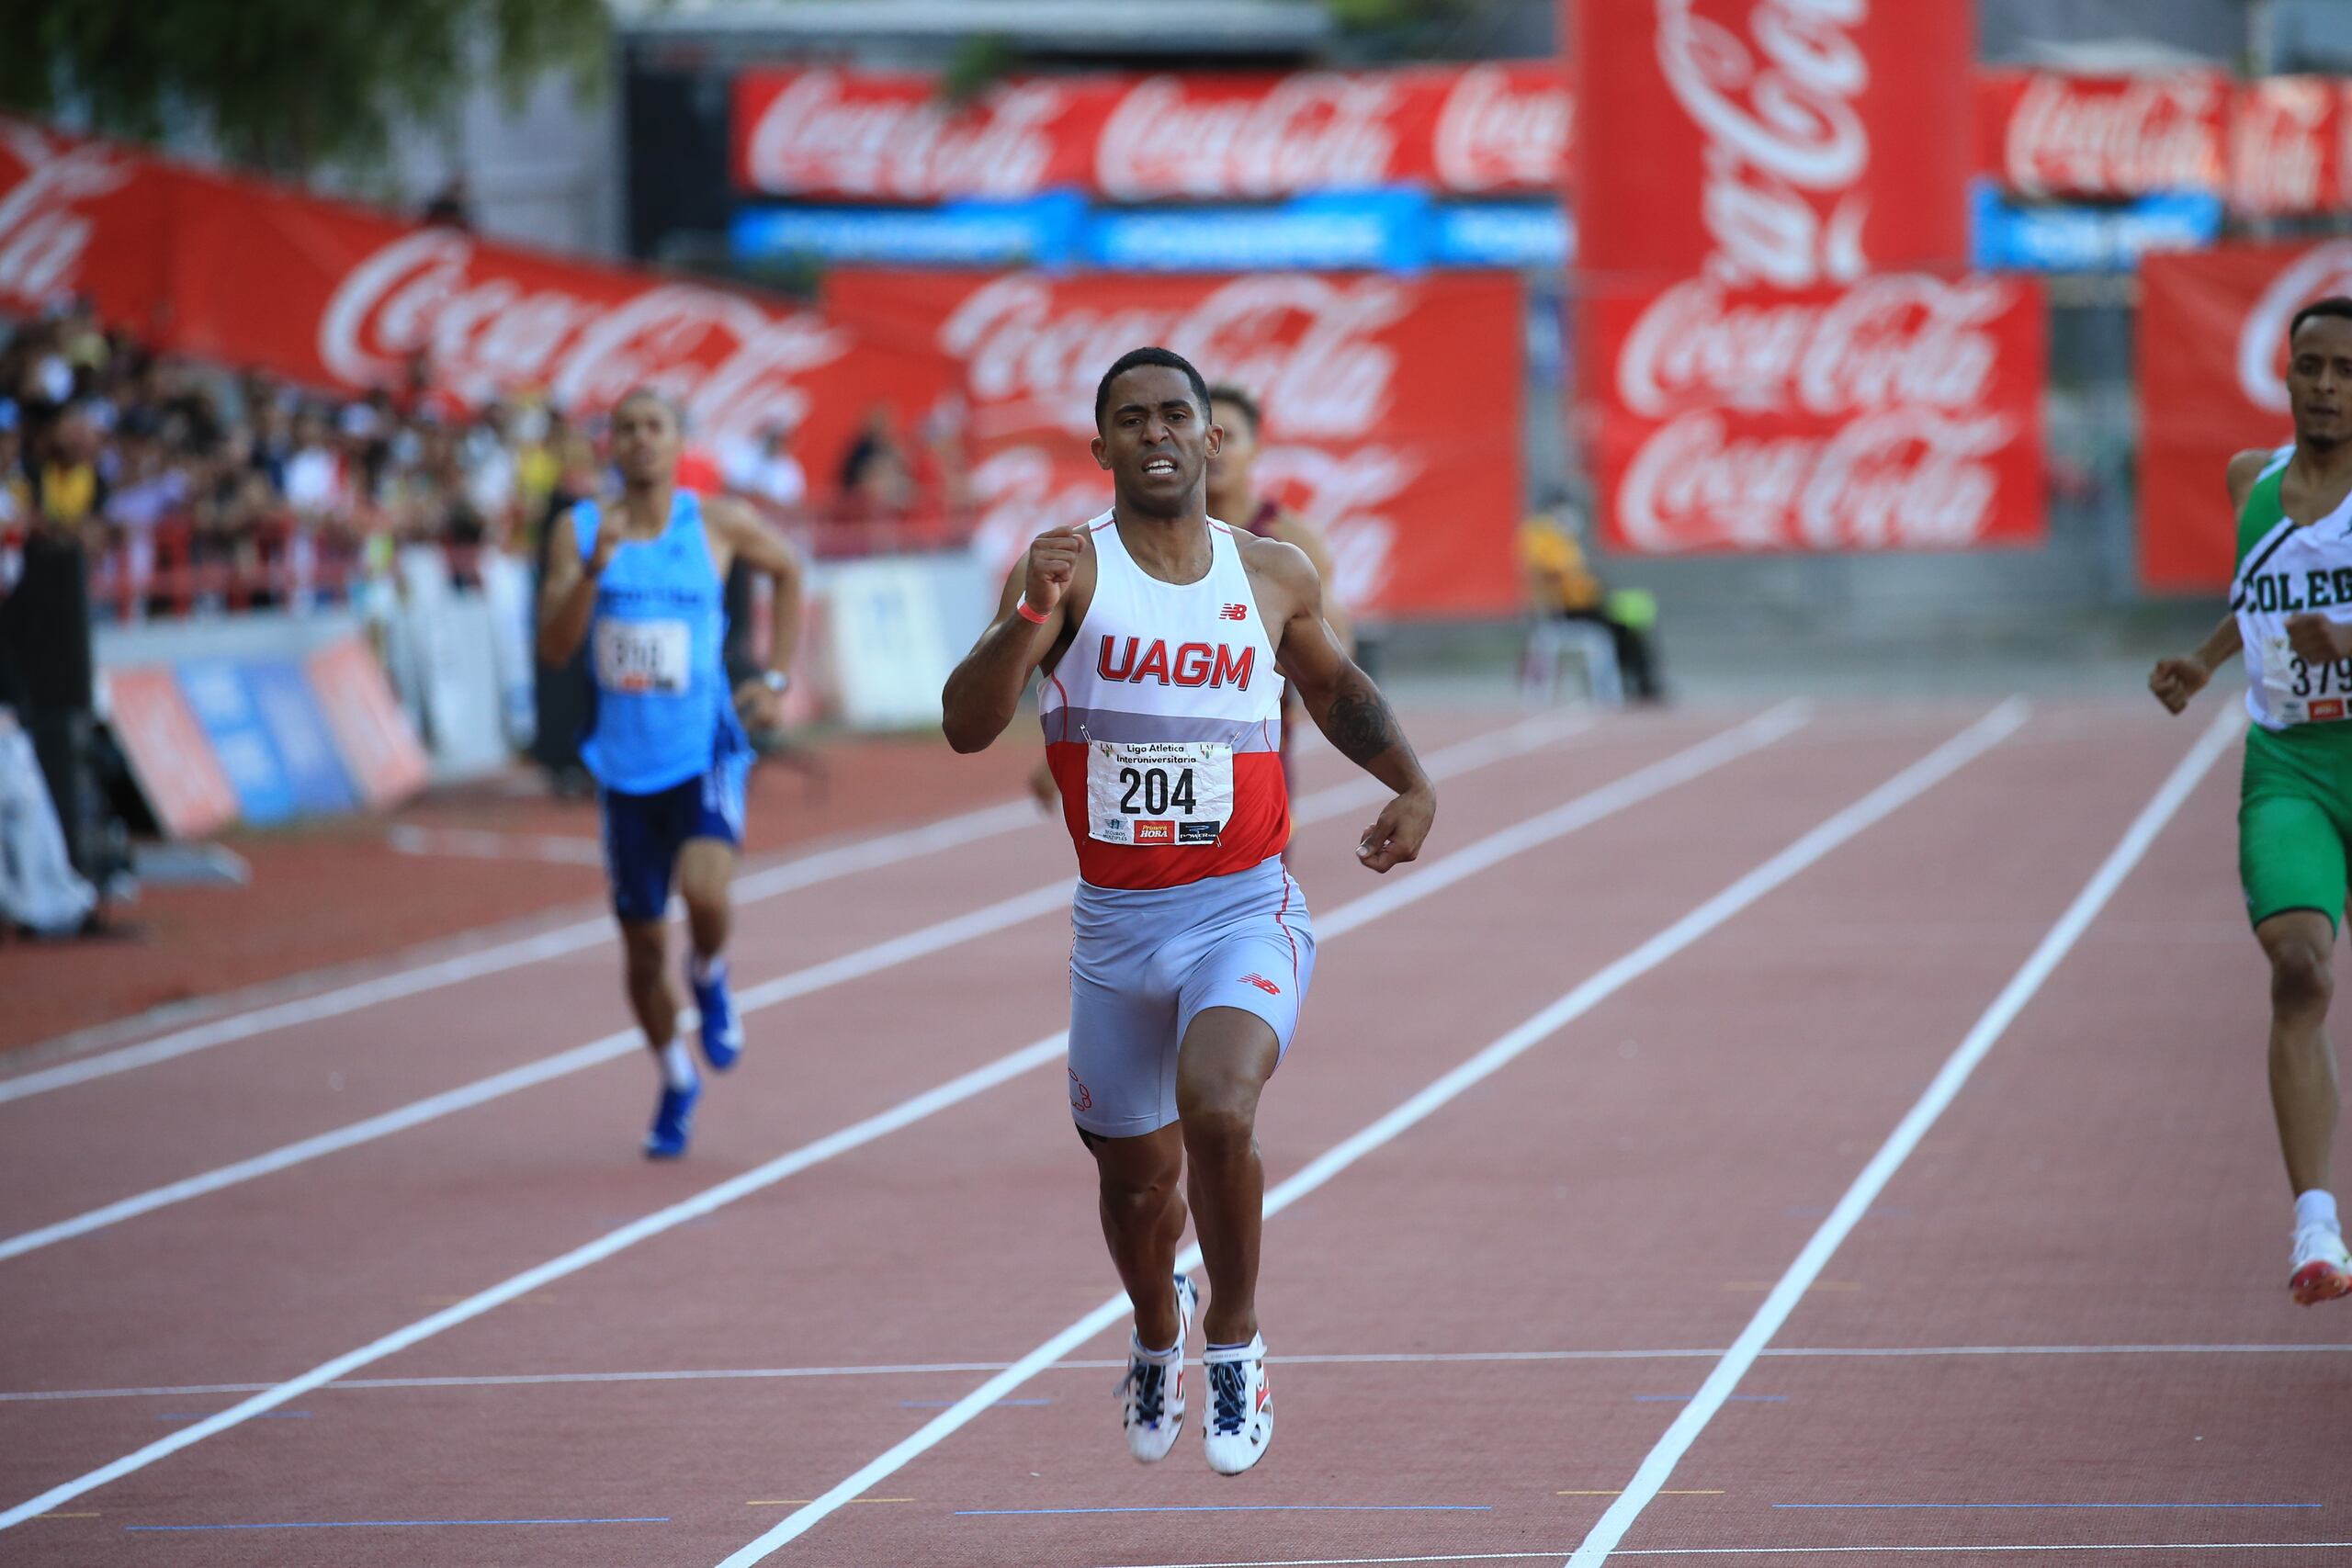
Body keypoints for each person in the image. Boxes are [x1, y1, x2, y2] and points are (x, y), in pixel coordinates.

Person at [941, 346, 1435, 1474]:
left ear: (1210, 440)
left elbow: (1334, 687)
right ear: (1102, 446)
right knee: (1131, 1182)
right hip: (1116, 931)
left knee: (1218, 1109)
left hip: (1242, 908)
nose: (1157, 433)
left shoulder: (1268, 572)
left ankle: (1235, 1342)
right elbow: (968, 724)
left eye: (1177, 415)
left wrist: (1410, 782)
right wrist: (1028, 612)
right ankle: (1157, 1327)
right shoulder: (1064, 573)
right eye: (1132, 418)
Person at [537, 389, 803, 1158]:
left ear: (678, 440)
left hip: (704, 749)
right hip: (623, 769)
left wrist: (776, 679)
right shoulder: (579, 529)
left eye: (655, 427)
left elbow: (788, 571)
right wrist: (593, 569)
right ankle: (674, 1076)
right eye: (626, 428)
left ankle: (712, 969)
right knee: (642, 953)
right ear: (609, 446)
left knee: (708, 892)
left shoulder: (713, 522)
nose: (641, 440)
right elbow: (555, 648)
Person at [2150, 295, 2352, 1305]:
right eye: (2310, 366)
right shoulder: (2252, 482)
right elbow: (2256, 593)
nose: (2325, 387)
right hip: (2291, 768)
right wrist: (2200, 661)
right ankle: (2316, 1228)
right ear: (2286, 375)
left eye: (2345, 371)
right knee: (2299, 971)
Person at [1027, 381, 1350, 823]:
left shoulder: (1289, 543)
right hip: (1143, 740)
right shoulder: (1128, 542)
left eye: (1230, 436)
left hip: (1247, 735)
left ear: (1249, 448)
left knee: (1251, 859)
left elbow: (1333, 650)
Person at [1520, 501, 1662, 703]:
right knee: (1622, 628)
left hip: (1582, 605)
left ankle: (1637, 682)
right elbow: (1551, 575)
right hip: (1567, 610)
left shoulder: (1563, 541)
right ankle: (1639, 683)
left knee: (1630, 626)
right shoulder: (1542, 537)